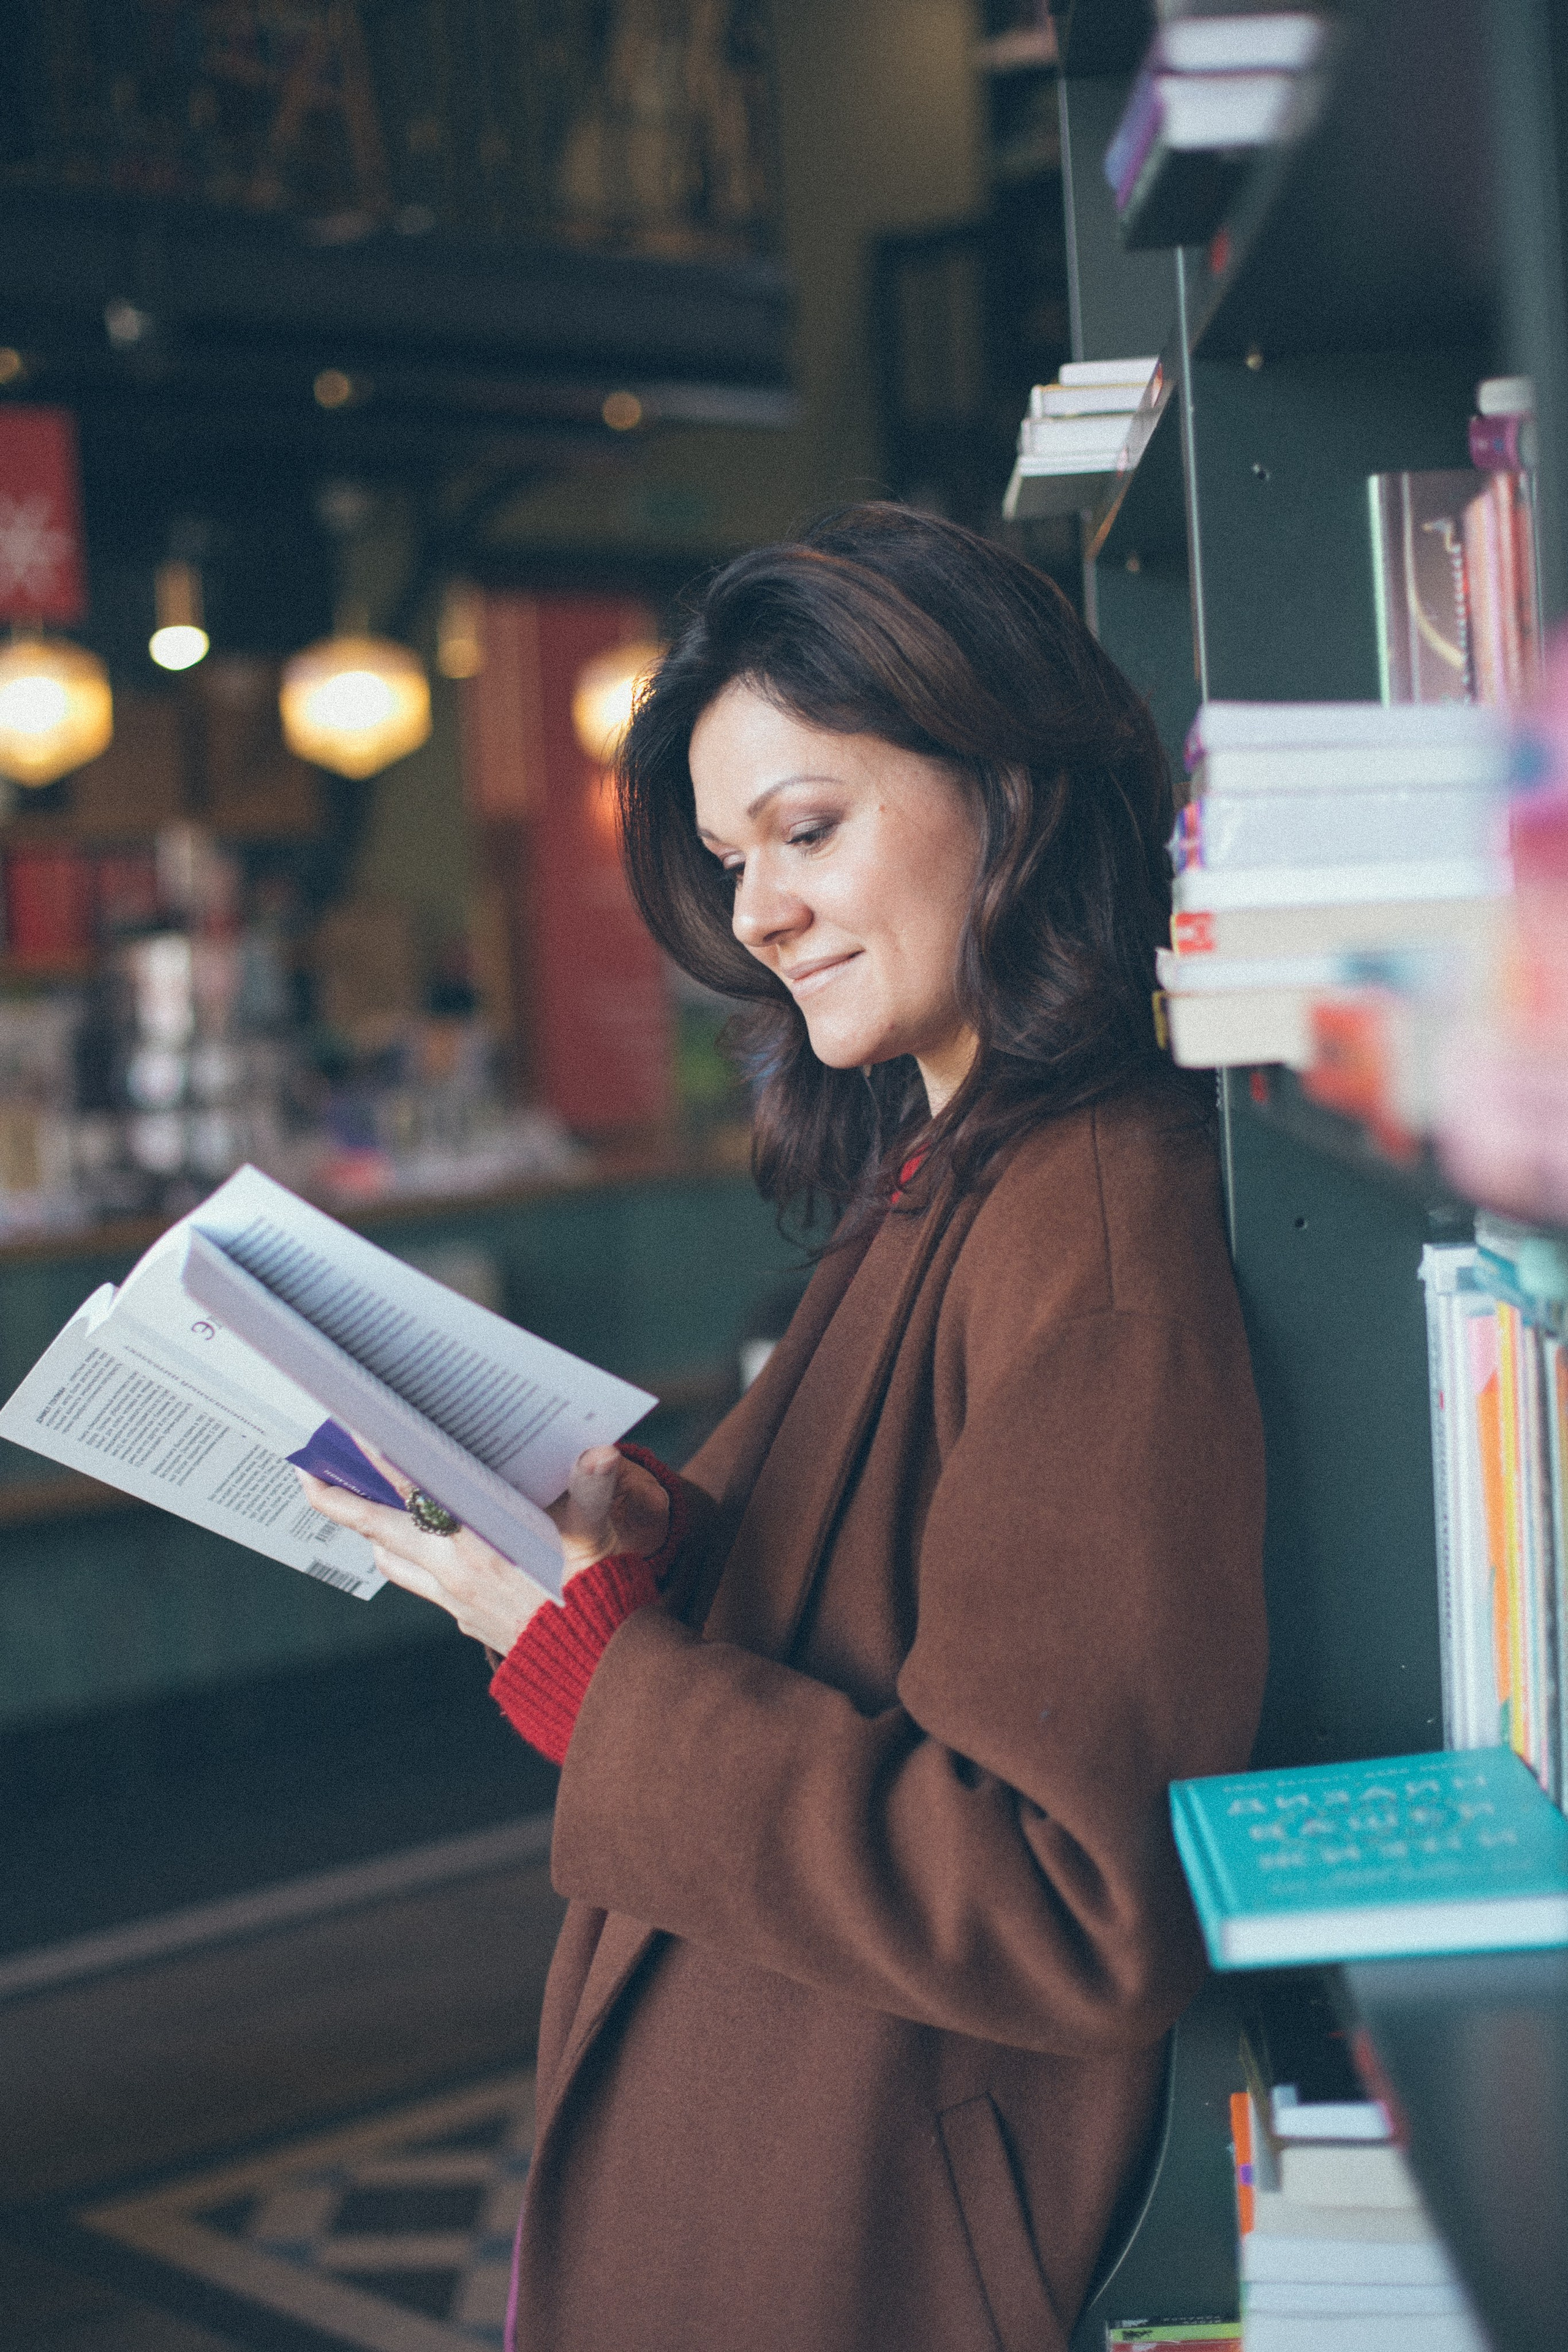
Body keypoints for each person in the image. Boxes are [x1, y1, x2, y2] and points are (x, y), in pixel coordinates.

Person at [299, 504, 1267, 2352]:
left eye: (806, 831)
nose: (755, 914)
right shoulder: (947, 1153)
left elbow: (1068, 1898)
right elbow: (890, 1587)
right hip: (802, 2158)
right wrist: (654, 1548)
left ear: (1012, 788)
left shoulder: (1094, 1217)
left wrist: (601, 1678)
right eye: (734, 856)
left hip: (874, 2226)